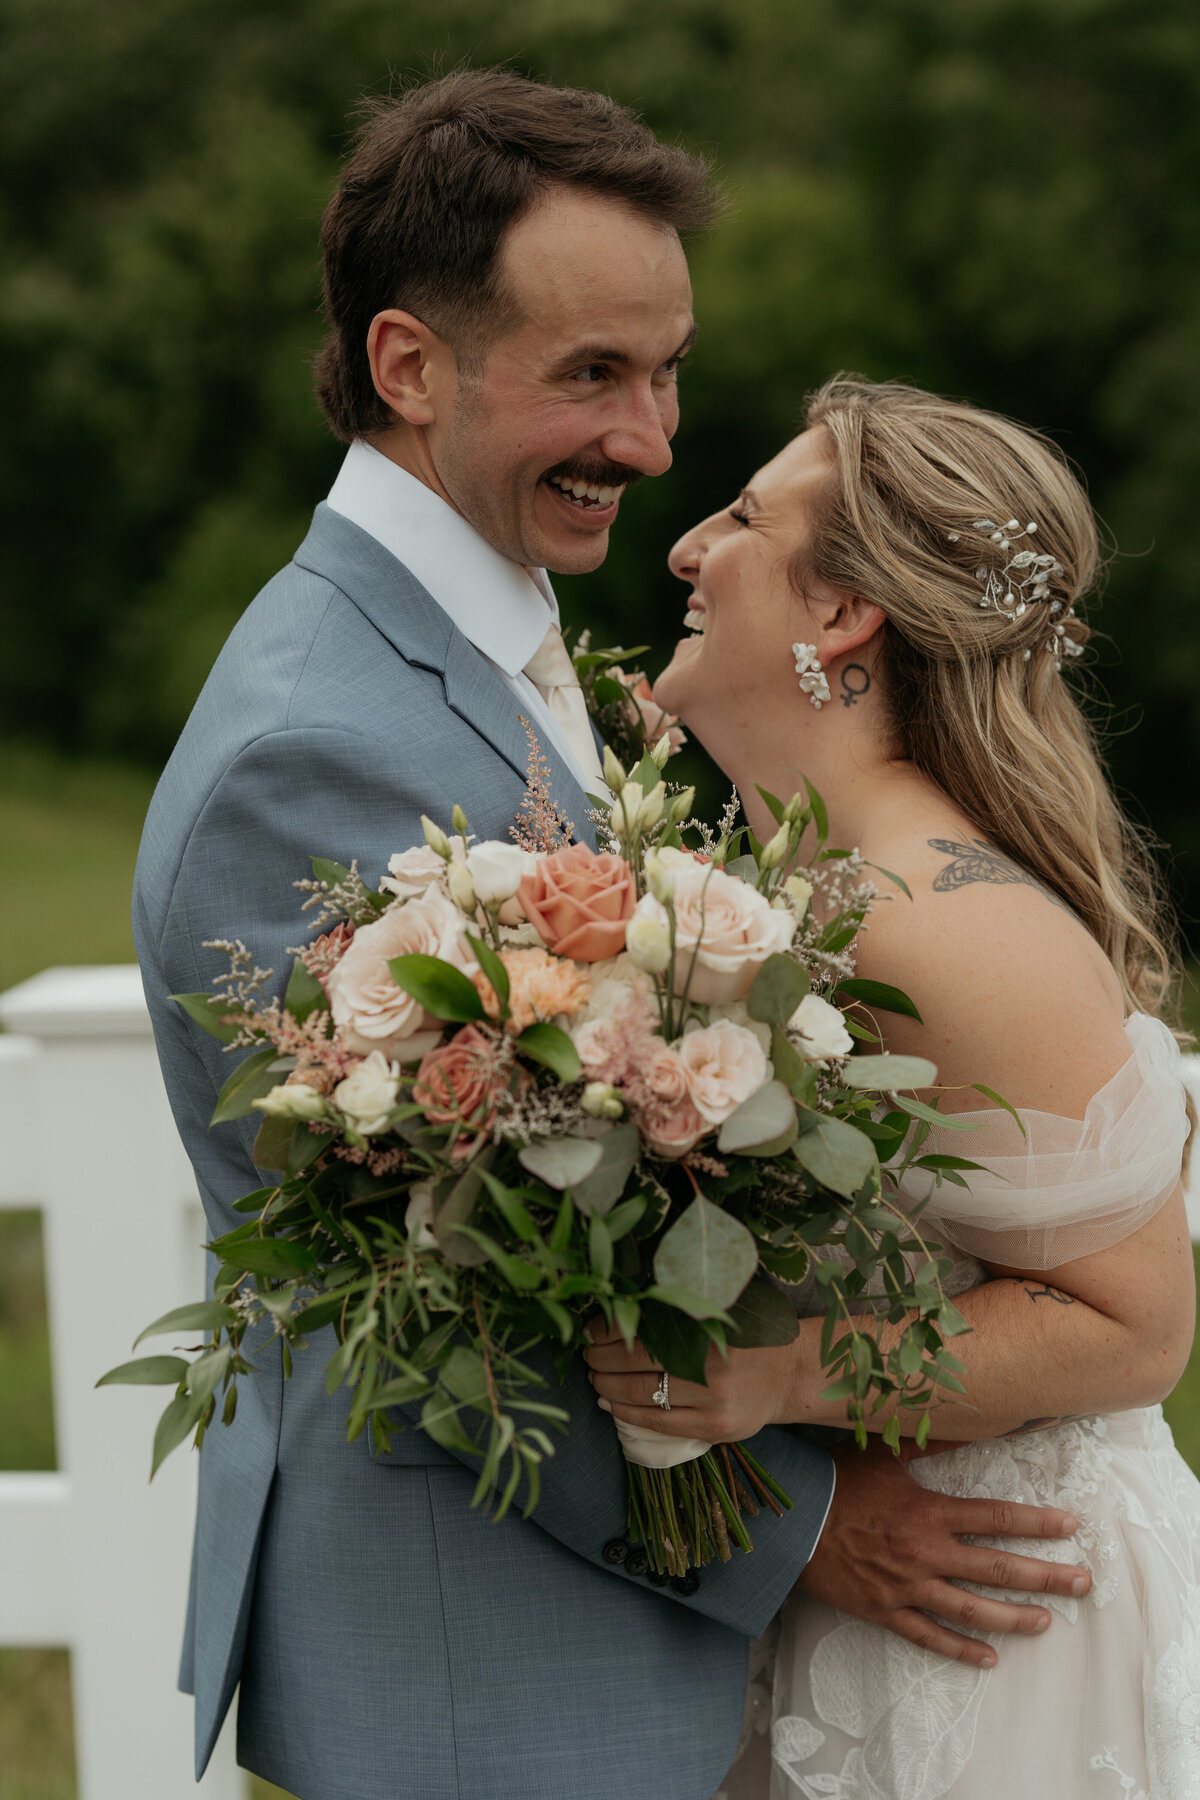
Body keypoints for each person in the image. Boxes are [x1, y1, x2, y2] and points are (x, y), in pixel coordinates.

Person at [133, 77, 1091, 1800]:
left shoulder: (497, 618)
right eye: (592, 375)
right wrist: (800, 1533)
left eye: (666, 371)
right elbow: (413, 1300)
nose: (652, 442)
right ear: (410, 366)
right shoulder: (312, 745)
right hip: (485, 1668)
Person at [588, 375, 1199, 1797]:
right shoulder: (801, 892)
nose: (685, 548)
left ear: (842, 616)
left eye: (741, 518)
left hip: (1009, 1628)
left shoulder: (939, 921)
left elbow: (1135, 1329)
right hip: (881, 1587)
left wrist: (776, 1379)